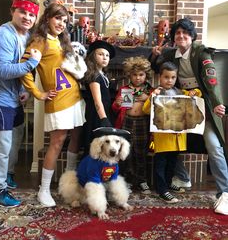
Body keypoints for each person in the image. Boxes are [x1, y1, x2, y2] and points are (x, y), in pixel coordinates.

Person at [150, 17, 228, 214]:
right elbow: (156, 68)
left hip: (203, 106)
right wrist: (154, 55)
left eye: (185, 33)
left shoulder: (201, 52)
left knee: (213, 145)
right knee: (171, 141)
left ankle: (224, 192)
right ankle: (183, 177)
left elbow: (211, 79)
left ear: (192, 36)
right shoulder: (170, 54)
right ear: (174, 37)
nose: (181, 36)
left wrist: (218, 103)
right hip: (179, 106)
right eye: (177, 33)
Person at [20, 3, 86, 207]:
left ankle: (68, 182)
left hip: (75, 98)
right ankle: (44, 189)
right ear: (47, 17)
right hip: (58, 101)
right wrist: (38, 93)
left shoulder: (62, 41)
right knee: (57, 142)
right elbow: (23, 69)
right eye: (58, 18)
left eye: (65, 21)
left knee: (76, 137)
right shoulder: (39, 41)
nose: (61, 24)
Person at [0, 0, 41, 207]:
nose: (27, 17)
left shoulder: (26, 36)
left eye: (32, 14)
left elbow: (19, 69)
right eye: (23, 12)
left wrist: (26, 90)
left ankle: (7, 175)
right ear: (13, 11)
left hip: (15, 98)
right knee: (1, 148)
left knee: (16, 139)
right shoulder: (3, 35)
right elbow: (2, 70)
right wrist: (33, 64)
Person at [142, 61, 201, 203]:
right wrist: (152, 97)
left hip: (178, 139)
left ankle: (168, 184)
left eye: (173, 77)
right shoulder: (156, 93)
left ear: (176, 78)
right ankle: (161, 190)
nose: (169, 80)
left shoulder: (180, 92)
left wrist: (194, 92)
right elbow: (145, 110)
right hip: (162, 138)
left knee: (172, 163)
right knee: (160, 164)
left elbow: (197, 94)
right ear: (160, 78)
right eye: (166, 77)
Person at [112, 56, 152, 194]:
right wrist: (117, 103)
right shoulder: (125, 89)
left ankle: (141, 180)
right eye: (134, 75)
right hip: (126, 122)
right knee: (125, 152)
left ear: (146, 75)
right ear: (129, 75)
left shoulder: (149, 90)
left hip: (142, 123)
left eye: (141, 75)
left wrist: (149, 99)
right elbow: (115, 108)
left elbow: (157, 108)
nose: (138, 78)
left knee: (141, 152)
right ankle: (124, 180)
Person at [82, 40, 115, 153]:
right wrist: (104, 119)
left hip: (104, 112)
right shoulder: (94, 76)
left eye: (107, 55)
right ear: (93, 56)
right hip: (96, 115)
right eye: (100, 54)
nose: (105, 57)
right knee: (95, 146)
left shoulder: (103, 76)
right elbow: (97, 101)